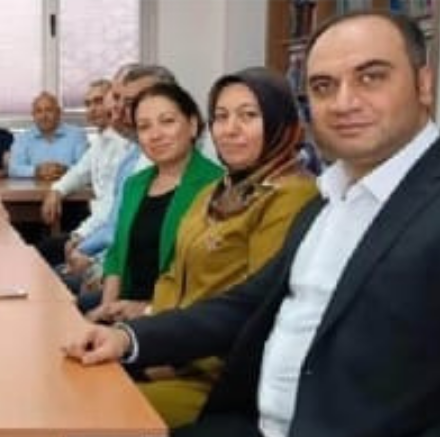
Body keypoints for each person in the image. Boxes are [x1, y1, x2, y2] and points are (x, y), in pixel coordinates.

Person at [62, 11, 440, 436]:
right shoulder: (330, 199)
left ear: (424, 84)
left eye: (371, 77)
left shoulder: (302, 195)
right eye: (323, 86)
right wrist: (129, 338)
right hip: (251, 417)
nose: (343, 102)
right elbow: (245, 305)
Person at [132, 67, 319, 428]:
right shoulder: (217, 190)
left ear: (280, 121)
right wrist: (153, 339)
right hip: (172, 352)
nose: (230, 129)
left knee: (98, 412)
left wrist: (167, 355)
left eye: (248, 115)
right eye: (221, 116)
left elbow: (254, 310)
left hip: (220, 378)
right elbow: (172, 274)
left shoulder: (292, 196)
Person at [85, 82, 224, 323]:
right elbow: (117, 253)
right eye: (144, 126)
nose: (156, 135)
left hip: (177, 318)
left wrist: (147, 309)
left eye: (167, 121)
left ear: (192, 125)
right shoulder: (135, 184)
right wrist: (107, 310)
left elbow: (210, 280)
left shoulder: (216, 186)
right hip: (124, 310)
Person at [38, 79, 131, 266]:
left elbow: (112, 206)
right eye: (88, 104)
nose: (92, 109)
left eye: (98, 101)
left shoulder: (125, 144)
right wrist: (56, 191)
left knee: (42, 253)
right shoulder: (101, 141)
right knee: (41, 248)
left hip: (112, 234)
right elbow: (79, 172)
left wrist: (80, 235)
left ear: (113, 103)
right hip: (99, 227)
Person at [8, 92, 88, 181]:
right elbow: (13, 169)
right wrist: (36, 171)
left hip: (71, 188)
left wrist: (65, 170)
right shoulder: (23, 138)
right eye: (39, 111)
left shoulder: (77, 135)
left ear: (58, 112)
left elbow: (86, 167)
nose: (44, 116)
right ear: (33, 115)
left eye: (49, 110)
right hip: (33, 189)